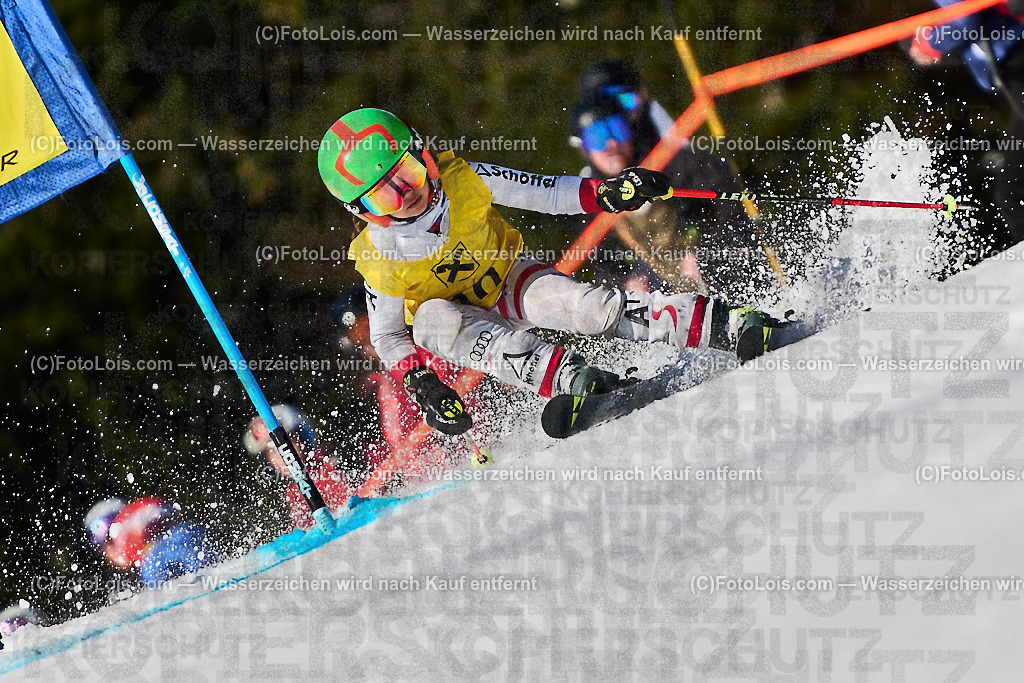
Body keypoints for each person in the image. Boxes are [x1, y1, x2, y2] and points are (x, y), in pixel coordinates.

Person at [316, 108, 792, 436]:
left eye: (408, 172)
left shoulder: (464, 179)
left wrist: (608, 192)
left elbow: (547, 193)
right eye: (385, 195)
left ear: (422, 154)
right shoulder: (381, 256)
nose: (408, 192)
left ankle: (728, 324)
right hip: (461, 323)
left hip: (509, 282)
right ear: (364, 211)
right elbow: (388, 336)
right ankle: (575, 380)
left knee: (588, 308)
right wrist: (420, 382)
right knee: (430, 321)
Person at [569, 59, 765, 297]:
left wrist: (709, 255)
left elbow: (730, 205)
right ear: (583, 146)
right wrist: (625, 284)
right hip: (661, 279)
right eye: (596, 136)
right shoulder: (591, 192)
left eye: (624, 106)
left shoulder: (672, 156)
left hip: (714, 256)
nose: (611, 144)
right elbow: (601, 261)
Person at [910, 1, 1024, 242]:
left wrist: (931, 43)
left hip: (1016, 55)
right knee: (1011, 194)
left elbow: (966, 18)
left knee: (1012, 195)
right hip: (1011, 63)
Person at [243, 404, 353, 529]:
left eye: (286, 445)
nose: (282, 456)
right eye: (272, 451)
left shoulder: (338, 459)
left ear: (303, 438)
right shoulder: (293, 494)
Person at [84, 495, 220, 589]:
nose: (110, 561)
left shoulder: (120, 534)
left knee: (154, 577)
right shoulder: (137, 508)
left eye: (105, 552)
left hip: (163, 551)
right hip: (190, 530)